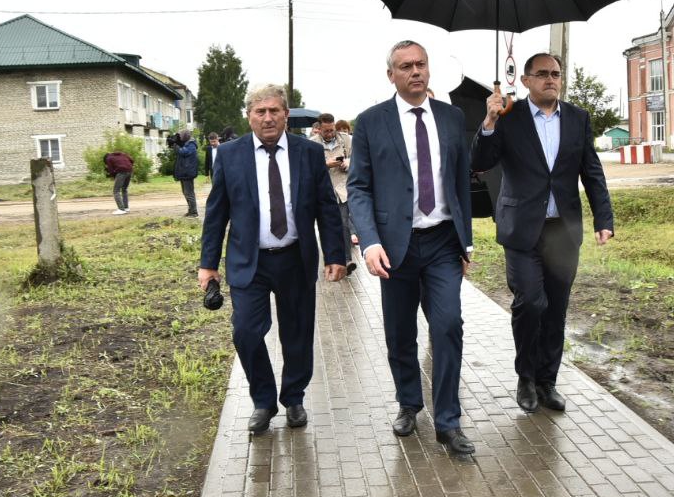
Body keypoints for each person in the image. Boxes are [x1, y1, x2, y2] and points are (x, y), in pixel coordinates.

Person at [347, 41, 475, 456]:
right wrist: (369, 241)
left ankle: (448, 421)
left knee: (448, 325)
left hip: (441, 242)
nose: (415, 72)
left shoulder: (452, 118)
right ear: (391, 75)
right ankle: (408, 402)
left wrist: (465, 241)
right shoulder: (371, 122)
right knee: (400, 332)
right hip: (394, 247)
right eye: (406, 66)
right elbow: (359, 188)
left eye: (421, 64)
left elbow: (460, 184)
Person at [198, 84, 348, 435]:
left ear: (285, 115)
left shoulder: (307, 153)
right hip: (249, 260)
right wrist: (208, 264)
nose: (267, 117)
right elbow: (216, 212)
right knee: (246, 332)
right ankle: (263, 400)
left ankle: (293, 397)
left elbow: (327, 206)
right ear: (249, 116)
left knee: (297, 333)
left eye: (274, 111)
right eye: (259, 112)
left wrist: (336, 254)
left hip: (295, 257)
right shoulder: (231, 155)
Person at [473, 52, 614, 413]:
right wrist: (489, 121)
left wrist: (603, 219)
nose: (550, 79)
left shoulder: (578, 119)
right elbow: (480, 162)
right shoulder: (508, 116)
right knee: (531, 303)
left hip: (562, 231)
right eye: (542, 74)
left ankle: (547, 381)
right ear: (525, 80)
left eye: (555, 74)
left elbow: (591, 171)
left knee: (556, 309)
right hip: (522, 229)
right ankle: (525, 377)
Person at [315, 113, 356, 275]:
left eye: (332, 130)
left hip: (342, 190)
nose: (330, 133)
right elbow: (309, 167)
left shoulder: (346, 140)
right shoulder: (313, 144)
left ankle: (346, 260)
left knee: (344, 224)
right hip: (323, 192)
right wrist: (326, 164)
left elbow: (358, 158)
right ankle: (331, 260)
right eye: (326, 131)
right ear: (319, 129)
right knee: (327, 226)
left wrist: (348, 162)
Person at [173, 129, 199, 217]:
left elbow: (184, 152)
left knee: (189, 193)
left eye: (181, 136)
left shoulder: (191, 144)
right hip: (184, 172)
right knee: (185, 192)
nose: (180, 137)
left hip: (188, 173)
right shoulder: (187, 144)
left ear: (185, 136)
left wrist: (175, 146)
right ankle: (191, 210)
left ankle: (194, 212)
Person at [103, 149, 134, 215]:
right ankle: (126, 208)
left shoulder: (108, 158)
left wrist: (113, 176)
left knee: (116, 191)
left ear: (105, 159)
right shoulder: (122, 154)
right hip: (130, 170)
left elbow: (111, 170)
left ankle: (121, 209)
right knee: (124, 189)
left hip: (121, 172)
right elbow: (132, 160)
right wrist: (128, 166)